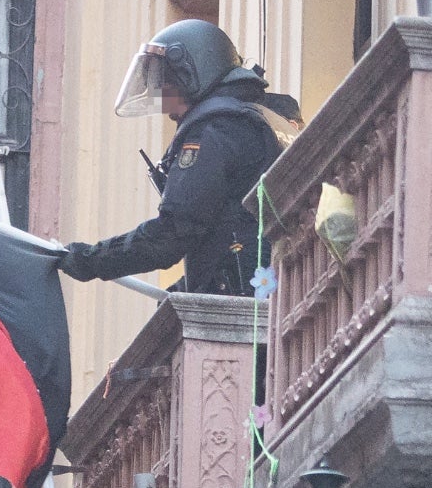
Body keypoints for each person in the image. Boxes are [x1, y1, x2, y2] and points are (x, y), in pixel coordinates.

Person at [58, 20, 294, 296]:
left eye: (166, 85)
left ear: (191, 74)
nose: (166, 106)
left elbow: (173, 233)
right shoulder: (264, 120)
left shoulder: (217, 129)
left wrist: (89, 260)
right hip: (275, 289)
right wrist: (187, 288)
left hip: (246, 307)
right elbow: (233, 224)